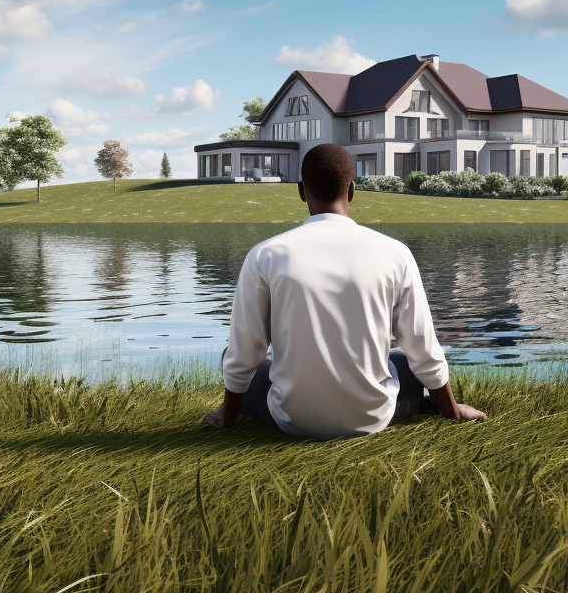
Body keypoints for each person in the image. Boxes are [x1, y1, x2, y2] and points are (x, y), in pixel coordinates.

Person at [204, 142, 486, 438]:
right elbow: (424, 350)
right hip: (373, 417)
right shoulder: (395, 253)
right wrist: (452, 411)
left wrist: (228, 417)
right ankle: (428, 405)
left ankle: (243, 411)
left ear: (301, 191)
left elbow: (244, 353)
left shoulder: (264, 255)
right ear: (351, 190)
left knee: (232, 356)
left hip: (292, 420)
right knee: (404, 358)